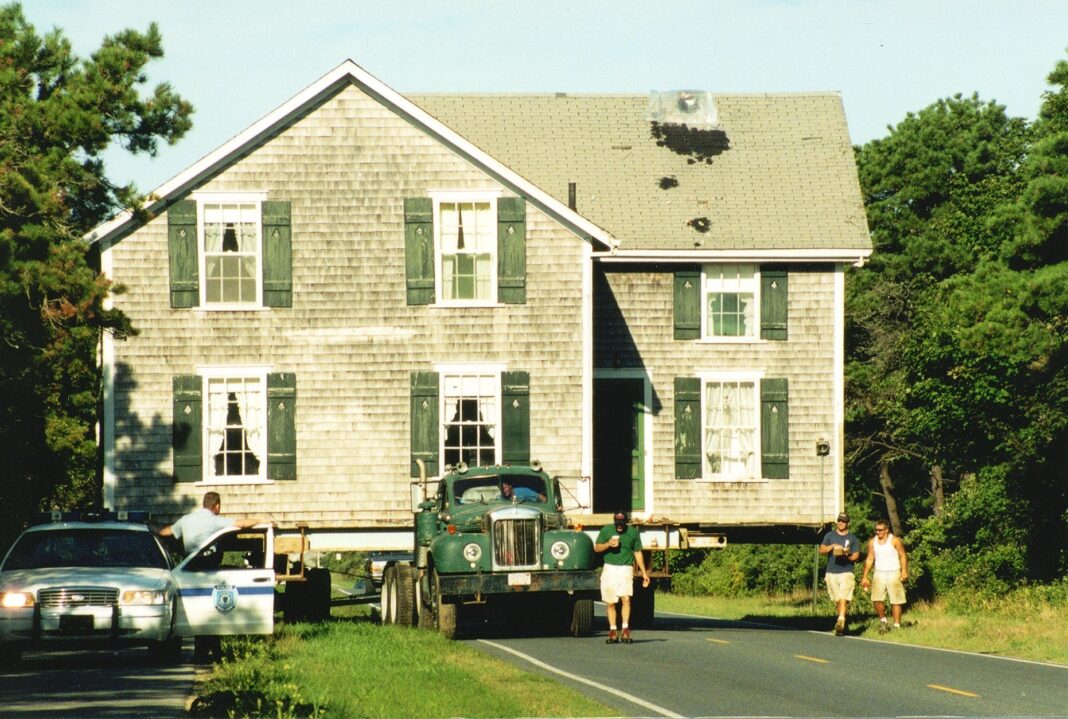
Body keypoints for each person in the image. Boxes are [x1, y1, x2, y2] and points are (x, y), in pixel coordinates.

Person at [594, 511, 650, 644]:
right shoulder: (606, 530)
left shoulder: (632, 532)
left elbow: (637, 552)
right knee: (611, 601)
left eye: (622, 524)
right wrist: (608, 544)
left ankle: (625, 629)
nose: (619, 526)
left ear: (626, 522)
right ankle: (613, 630)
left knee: (626, 598)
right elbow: (597, 548)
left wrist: (644, 573)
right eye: (617, 524)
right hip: (610, 567)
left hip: (626, 568)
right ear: (614, 522)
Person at [158, 491, 260, 556]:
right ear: (217, 506)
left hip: (188, 565)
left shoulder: (186, 519)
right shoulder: (215, 520)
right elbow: (241, 524)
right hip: (208, 563)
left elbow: (166, 532)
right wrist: (260, 521)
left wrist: (152, 528)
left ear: (204, 504)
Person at [861, 518, 909, 633]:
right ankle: (883, 620)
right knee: (876, 599)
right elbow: (870, 558)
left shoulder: (894, 540)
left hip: (894, 571)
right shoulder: (873, 542)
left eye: (880, 530)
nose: (878, 532)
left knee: (896, 599)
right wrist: (865, 576)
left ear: (887, 530)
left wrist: (904, 571)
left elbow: (902, 555)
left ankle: (897, 625)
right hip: (879, 572)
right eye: (876, 530)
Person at [819, 512, 861, 635]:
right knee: (837, 600)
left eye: (843, 521)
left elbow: (856, 557)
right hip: (832, 571)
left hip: (846, 571)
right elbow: (822, 550)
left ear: (848, 523)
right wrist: (832, 547)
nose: (841, 523)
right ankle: (842, 624)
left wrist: (847, 554)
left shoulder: (853, 538)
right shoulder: (830, 535)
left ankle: (841, 619)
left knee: (844, 597)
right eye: (839, 521)